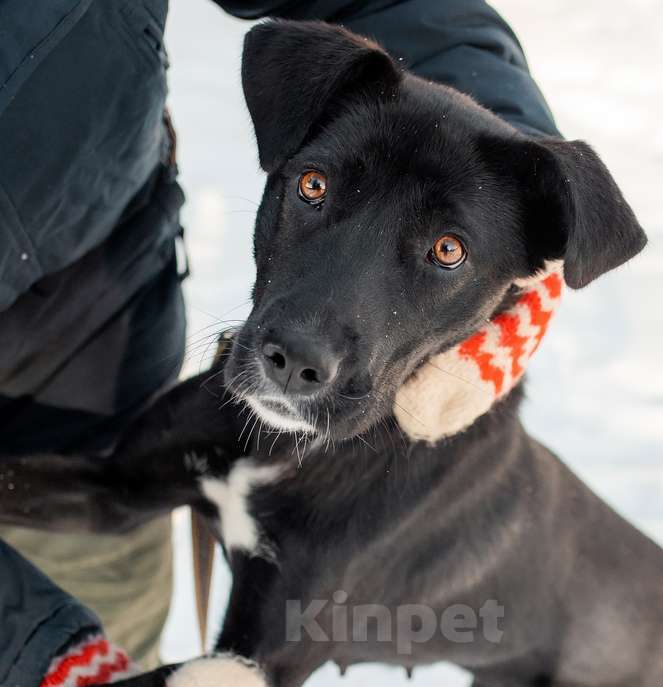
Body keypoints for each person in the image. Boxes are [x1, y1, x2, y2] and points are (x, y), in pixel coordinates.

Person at [0, 0, 560, 668]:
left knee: (111, 594)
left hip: (86, 331)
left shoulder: (371, 507)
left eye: (446, 251)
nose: (304, 349)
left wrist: (513, 163)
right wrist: (41, 657)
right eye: (316, 188)